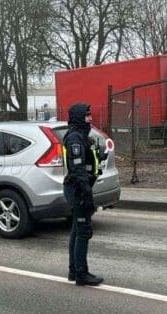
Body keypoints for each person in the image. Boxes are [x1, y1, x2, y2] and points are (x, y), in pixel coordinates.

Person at [63, 103, 105, 286]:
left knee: (76, 231)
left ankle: (74, 271)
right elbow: (77, 168)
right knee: (83, 232)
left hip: (80, 187)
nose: (90, 118)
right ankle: (81, 274)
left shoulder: (80, 136)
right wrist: (86, 194)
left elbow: (86, 163)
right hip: (78, 189)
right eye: (87, 115)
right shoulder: (74, 138)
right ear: (79, 117)